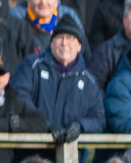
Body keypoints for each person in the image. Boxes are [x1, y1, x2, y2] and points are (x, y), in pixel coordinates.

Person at [11, 13, 104, 142]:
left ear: (79, 46)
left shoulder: (89, 82)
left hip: (72, 155)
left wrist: (80, 126)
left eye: (70, 38)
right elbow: (19, 97)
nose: (64, 43)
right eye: (60, 37)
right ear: (52, 42)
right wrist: (44, 124)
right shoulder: (32, 66)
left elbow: (98, 119)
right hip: (32, 150)